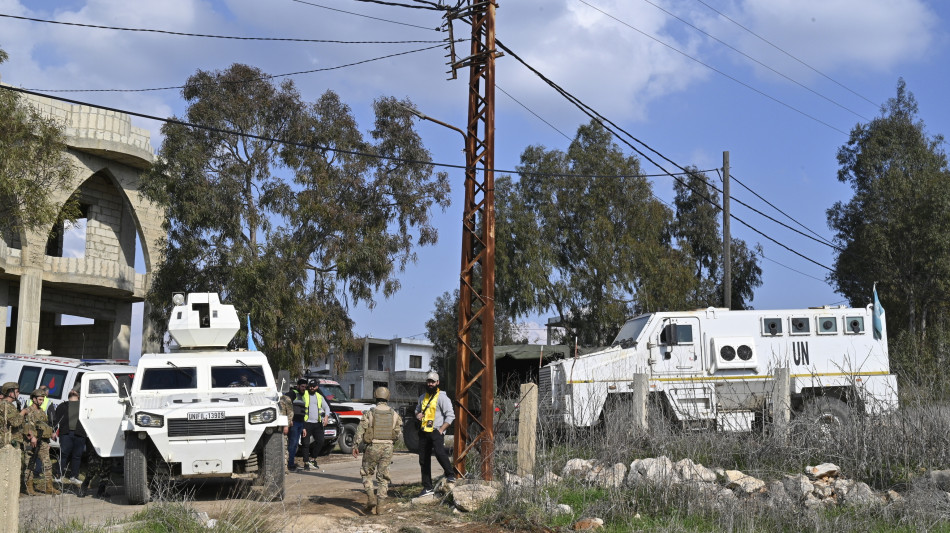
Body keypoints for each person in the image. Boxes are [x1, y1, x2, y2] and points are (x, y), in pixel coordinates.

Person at [353, 386, 402, 515]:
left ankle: (370, 497)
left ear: (376, 396)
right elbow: (397, 433)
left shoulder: (370, 412)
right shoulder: (394, 414)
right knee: (383, 477)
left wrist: (355, 446)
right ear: (388, 397)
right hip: (388, 448)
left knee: (366, 473)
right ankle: (380, 507)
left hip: (372, 447)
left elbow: (360, 430)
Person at [414, 371, 456, 496]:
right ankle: (427, 487)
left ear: (437, 383)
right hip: (423, 432)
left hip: (436, 431)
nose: (430, 384)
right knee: (423, 460)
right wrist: (417, 415)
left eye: (433, 382)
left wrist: (441, 430)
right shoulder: (422, 397)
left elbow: (450, 416)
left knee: (439, 452)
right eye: (428, 381)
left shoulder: (442, 397)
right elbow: (417, 411)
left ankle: (450, 474)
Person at [23, 388, 60, 495]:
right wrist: (32, 437)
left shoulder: (42, 412)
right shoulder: (28, 411)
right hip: (30, 441)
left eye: (42, 399)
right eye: (39, 399)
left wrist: (50, 436)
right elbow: (27, 425)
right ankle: (29, 487)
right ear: (34, 399)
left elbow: (45, 426)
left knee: (48, 464)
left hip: (42, 442)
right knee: (30, 464)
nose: (41, 401)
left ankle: (49, 487)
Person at [1, 382, 31, 494]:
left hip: (13, 442)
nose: (19, 394)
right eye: (17, 391)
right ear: (10, 392)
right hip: (7, 442)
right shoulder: (5, 405)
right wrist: (23, 412)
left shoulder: (10, 406)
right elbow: (15, 422)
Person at [52, 389, 86, 485]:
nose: (73, 390)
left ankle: (74, 476)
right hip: (66, 433)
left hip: (80, 433)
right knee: (64, 454)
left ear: (79, 395)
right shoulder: (62, 405)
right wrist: (54, 431)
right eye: (72, 390)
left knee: (77, 456)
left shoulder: (83, 405)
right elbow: (56, 420)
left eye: (75, 390)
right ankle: (59, 475)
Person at [301, 379, 330, 470]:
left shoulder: (319, 396)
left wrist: (326, 417)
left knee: (320, 441)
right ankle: (306, 463)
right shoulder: (304, 394)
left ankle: (313, 459)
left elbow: (327, 407)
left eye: (314, 386)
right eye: (310, 386)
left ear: (317, 387)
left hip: (317, 423)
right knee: (305, 443)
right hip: (306, 423)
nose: (312, 388)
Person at [285, 378, 309, 471]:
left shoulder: (302, 396)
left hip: (300, 423)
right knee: (293, 444)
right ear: (298, 386)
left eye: (305, 387)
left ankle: (291, 463)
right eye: (302, 386)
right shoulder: (293, 393)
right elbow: (285, 402)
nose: (304, 388)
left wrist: (304, 427)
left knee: (295, 445)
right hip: (294, 423)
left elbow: (303, 413)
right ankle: (290, 465)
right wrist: (289, 419)